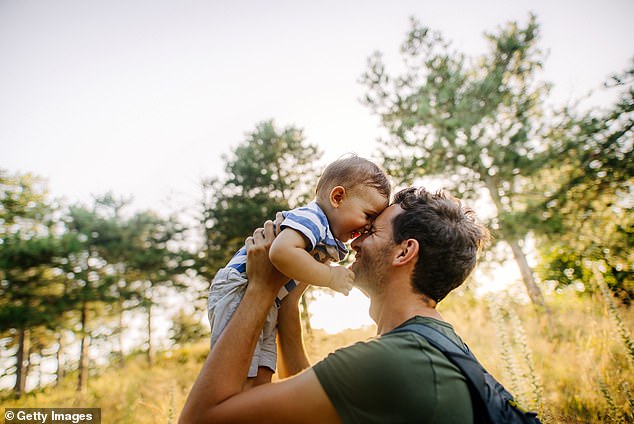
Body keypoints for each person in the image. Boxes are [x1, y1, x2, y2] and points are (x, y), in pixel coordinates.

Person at [180, 186, 490, 423]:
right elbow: (309, 397)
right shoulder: (439, 345)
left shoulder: (388, 362)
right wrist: (287, 298)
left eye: (370, 231)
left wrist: (260, 288)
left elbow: (200, 419)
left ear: (404, 252)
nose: (353, 242)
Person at [207, 154, 391, 387]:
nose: (367, 226)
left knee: (263, 371)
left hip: (269, 298)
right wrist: (330, 276)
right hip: (239, 287)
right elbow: (280, 252)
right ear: (338, 197)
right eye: (368, 215)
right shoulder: (312, 218)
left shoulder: (326, 237)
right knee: (238, 372)